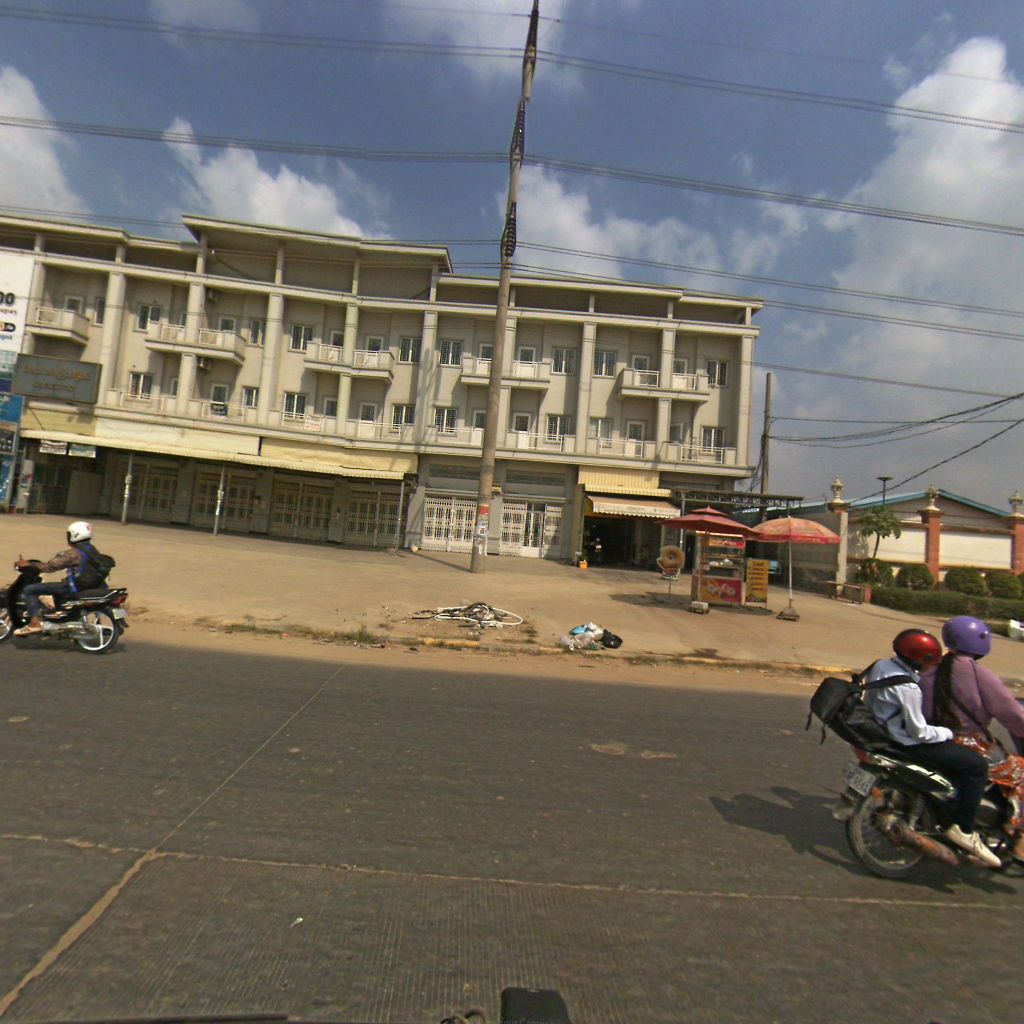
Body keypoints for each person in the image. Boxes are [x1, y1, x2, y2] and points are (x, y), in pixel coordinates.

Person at [864, 627, 1000, 868]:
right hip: (907, 743)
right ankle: (964, 829)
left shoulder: (881, 666)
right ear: (919, 659)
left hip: (883, 733)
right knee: (977, 766)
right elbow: (919, 732)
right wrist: (948, 733)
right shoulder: (908, 689)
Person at [919, 615, 1024, 863]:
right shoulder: (979, 674)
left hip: (935, 740)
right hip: (969, 743)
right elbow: (1011, 713)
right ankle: (1019, 838)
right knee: (1020, 771)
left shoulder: (931, 670)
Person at [13, 520, 102, 636]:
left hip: (73, 587)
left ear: (74, 536)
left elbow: (51, 567)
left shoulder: (74, 553)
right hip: (88, 585)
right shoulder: (92, 550)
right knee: (55, 589)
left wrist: (29, 564)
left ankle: (35, 624)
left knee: (30, 590)